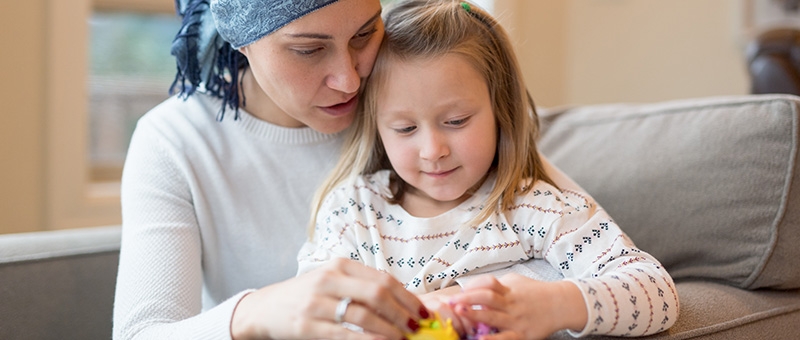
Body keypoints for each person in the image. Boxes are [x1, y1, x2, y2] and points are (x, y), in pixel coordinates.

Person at [296, 0, 679, 339]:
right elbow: (305, 311)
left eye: (457, 120)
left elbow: (657, 293)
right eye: (405, 129)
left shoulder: (532, 207)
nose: (433, 151)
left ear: (500, 110)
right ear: (377, 128)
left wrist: (553, 305)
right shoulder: (354, 210)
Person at [113, 0, 433, 339]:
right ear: (241, 38)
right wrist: (259, 310)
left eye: (365, 33)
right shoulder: (177, 141)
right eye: (308, 50)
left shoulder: (419, 113)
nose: (349, 81)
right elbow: (140, 333)